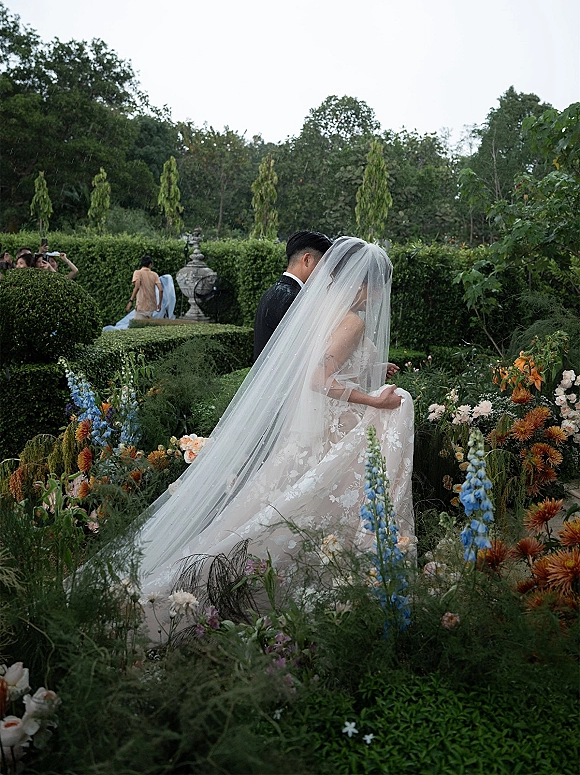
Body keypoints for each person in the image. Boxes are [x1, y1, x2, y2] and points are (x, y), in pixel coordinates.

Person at [136, 237, 415, 619]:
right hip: (327, 436)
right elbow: (318, 379)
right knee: (294, 511)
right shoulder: (352, 319)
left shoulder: (324, 313)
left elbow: (319, 367)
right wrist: (375, 400)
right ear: (363, 284)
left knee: (279, 510)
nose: (380, 295)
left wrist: (370, 371)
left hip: (311, 432)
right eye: (379, 285)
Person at [253, 230, 333, 361]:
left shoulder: (276, 291)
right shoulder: (291, 299)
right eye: (324, 266)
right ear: (307, 260)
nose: (326, 273)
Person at [127, 256, 163, 320]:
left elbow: (137, 287)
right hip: (152, 307)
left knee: (138, 328)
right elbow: (161, 290)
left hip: (141, 306)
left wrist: (130, 301)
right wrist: (159, 304)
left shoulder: (137, 273)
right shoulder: (154, 274)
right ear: (150, 264)